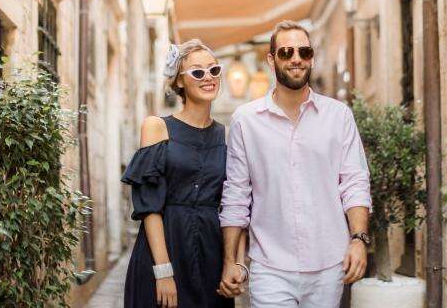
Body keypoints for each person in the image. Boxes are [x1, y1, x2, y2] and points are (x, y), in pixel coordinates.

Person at [218, 20, 373, 308]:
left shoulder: (339, 116)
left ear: (312, 57)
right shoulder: (245, 121)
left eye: (304, 52)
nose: (296, 59)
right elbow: (236, 195)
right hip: (270, 266)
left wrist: (358, 239)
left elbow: (355, 182)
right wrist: (230, 261)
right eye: (286, 52)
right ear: (271, 59)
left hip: (329, 264)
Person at [121, 39, 246, 308]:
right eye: (197, 72)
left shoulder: (226, 134)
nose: (208, 77)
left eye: (214, 70)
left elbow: (236, 204)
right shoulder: (156, 127)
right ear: (179, 81)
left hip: (211, 254)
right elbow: (150, 207)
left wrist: (236, 263)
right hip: (164, 250)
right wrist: (163, 271)